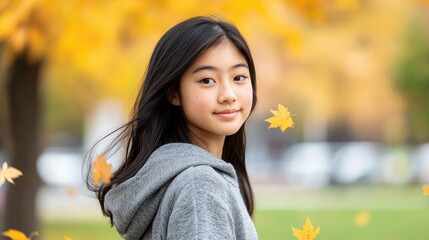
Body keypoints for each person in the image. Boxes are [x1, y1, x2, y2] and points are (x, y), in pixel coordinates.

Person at [87, 16, 258, 240]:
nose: (228, 95)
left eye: (239, 77)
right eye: (207, 80)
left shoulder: (180, 176)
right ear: (173, 93)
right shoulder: (200, 187)